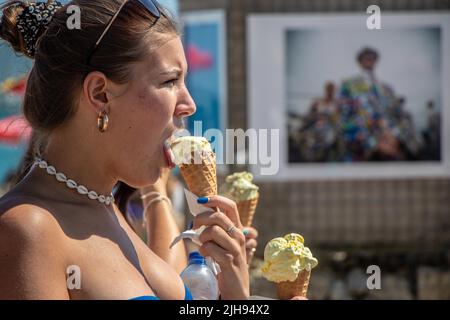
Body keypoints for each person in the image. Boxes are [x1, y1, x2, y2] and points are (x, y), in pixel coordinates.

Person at [0, 0, 249, 300]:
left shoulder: (104, 206)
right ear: (100, 93)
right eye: (170, 81)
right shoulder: (28, 230)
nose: (189, 104)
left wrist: (235, 296)